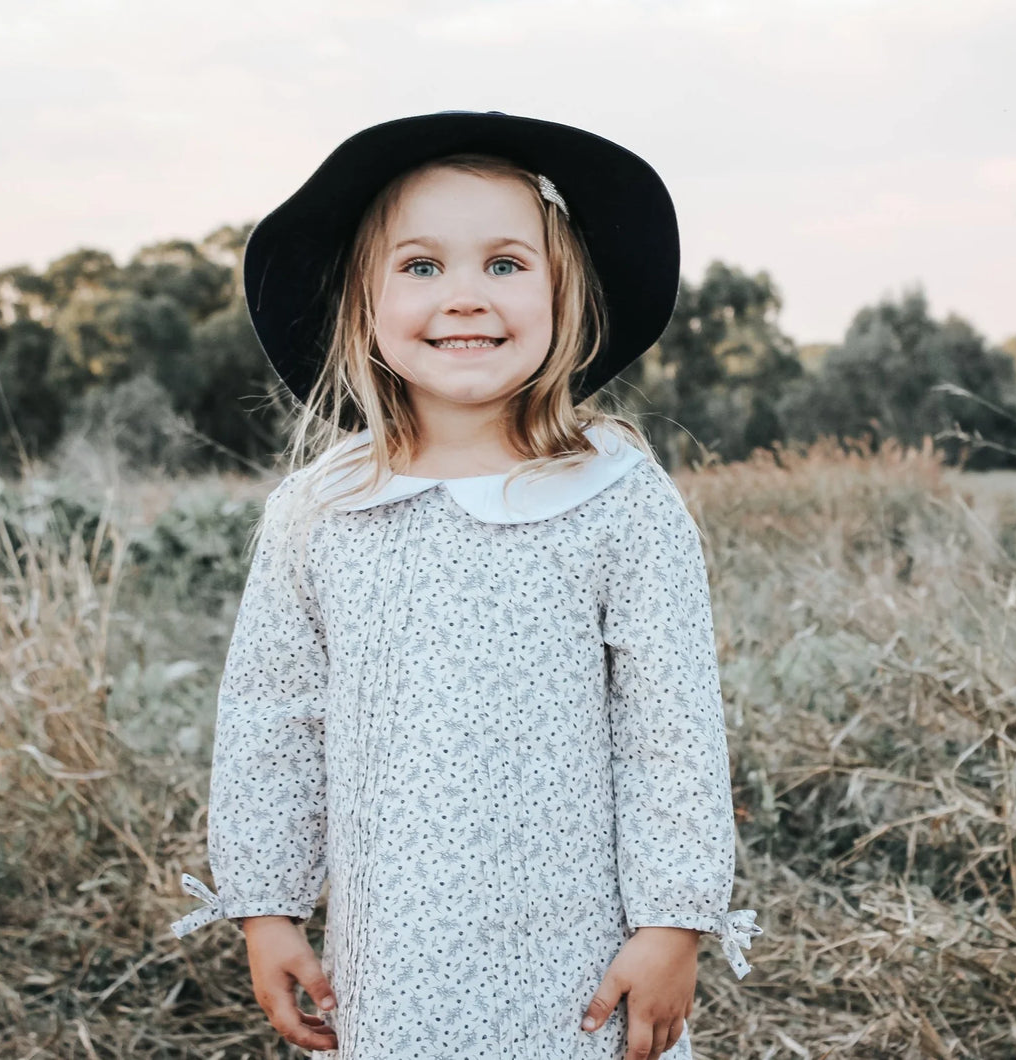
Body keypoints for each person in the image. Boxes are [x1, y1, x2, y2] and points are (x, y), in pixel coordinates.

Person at [170, 109, 761, 1060]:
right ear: (361, 304)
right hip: (395, 954)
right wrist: (266, 908)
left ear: (564, 294)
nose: (465, 297)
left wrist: (674, 921)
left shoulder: (619, 498)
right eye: (420, 266)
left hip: (580, 960)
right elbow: (273, 717)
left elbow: (670, 725)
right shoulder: (318, 511)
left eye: (505, 264)